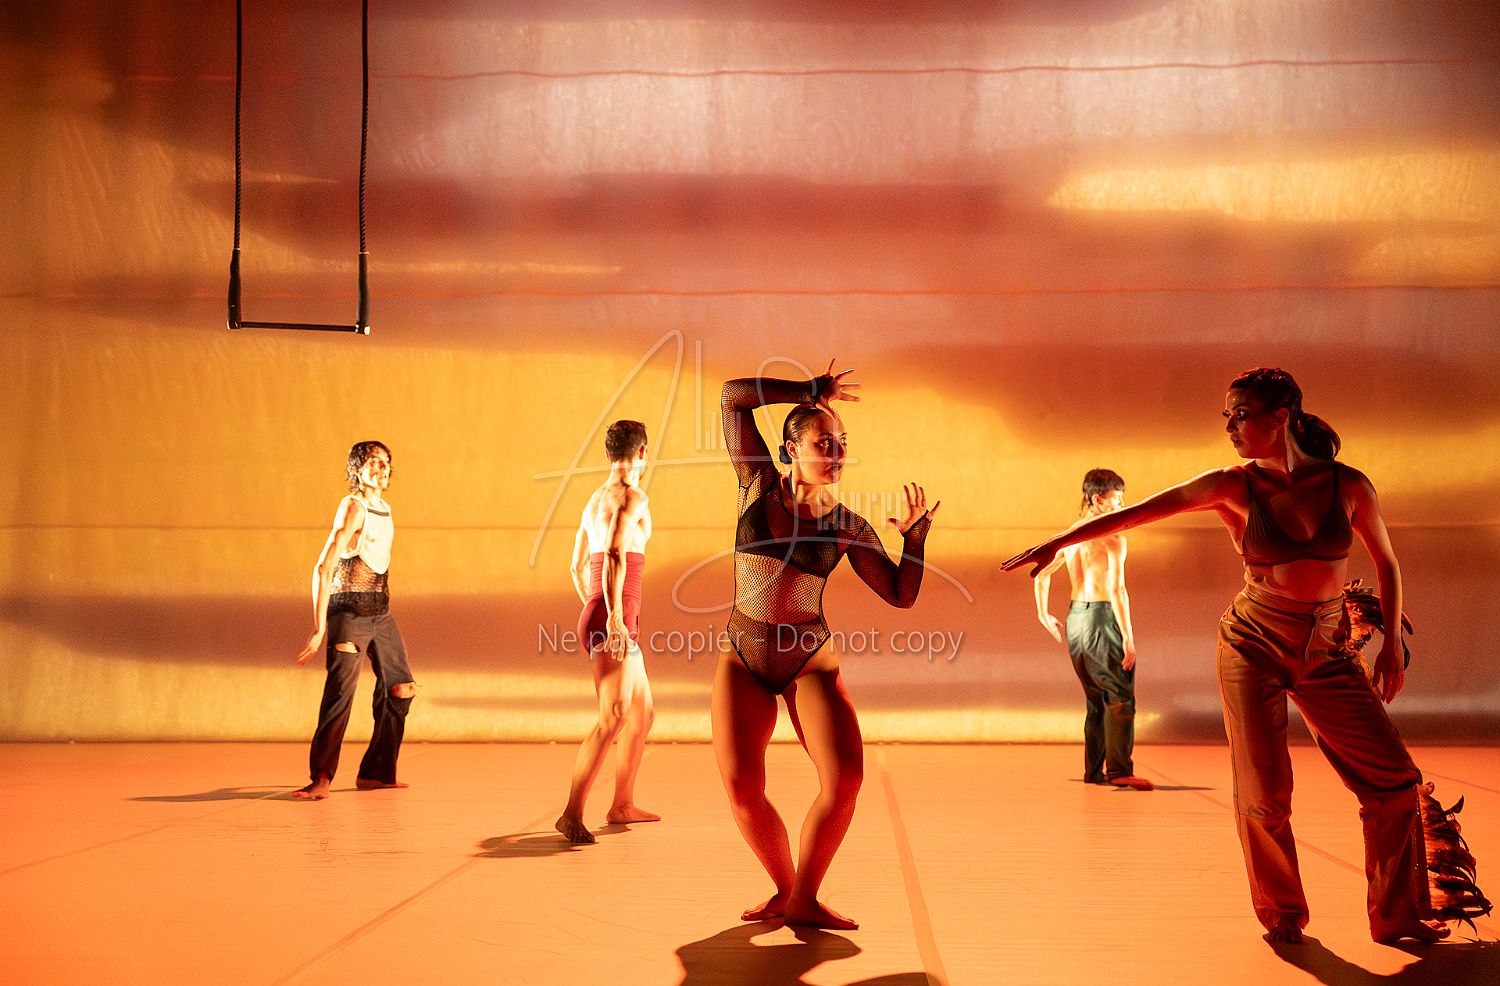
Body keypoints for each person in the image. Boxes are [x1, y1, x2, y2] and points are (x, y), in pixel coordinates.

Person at [1003, 367, 1489, 944]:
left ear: (1281, 418)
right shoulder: (1233, 486)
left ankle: (1395, 914)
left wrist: (1392, 650)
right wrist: (1060, 541)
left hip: (1327, 647)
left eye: (1240, 414)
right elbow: (1143, 512)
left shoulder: (1349, 485)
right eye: (1227, 417)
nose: (1230, 427)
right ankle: (1282, 911)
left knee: (1394, 779)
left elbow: (1387, 563)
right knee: (1264, 791)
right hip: (1252, 642)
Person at [716, 358, 938, 930]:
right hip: (743, 659)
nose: (837, 453)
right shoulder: (755, 484)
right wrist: (809, 389)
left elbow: (900, 594)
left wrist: (915, 540)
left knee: (845, 783)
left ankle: (805, 899)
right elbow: (733, 396)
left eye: (842, 444)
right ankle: (786, 889)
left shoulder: (847, 526)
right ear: (791, 449)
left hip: (808, 662)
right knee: (742, 789)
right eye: (824, 443)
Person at [292, 441, 416, 800]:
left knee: (401, 688)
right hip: (348, 613)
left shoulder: (384, 508)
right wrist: (320, 627)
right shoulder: (353, 507)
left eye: (386, 462)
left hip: (380, 613)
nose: (382, 468)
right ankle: (320, 777)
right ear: (357, 470)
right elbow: (323, 567)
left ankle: (376, 772)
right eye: (373, 462)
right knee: (340, 695)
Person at [556, 420, 659, 844]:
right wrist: (613, 616)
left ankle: (622, 804)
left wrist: (595, 607)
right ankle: (571, 813)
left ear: (608, 454)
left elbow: (576, 564)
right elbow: (615, 551)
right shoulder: (632, 496)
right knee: (614, 716)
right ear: (643, 453)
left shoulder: (595, 499)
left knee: (643, 713)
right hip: (614, 617)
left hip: (605, 612)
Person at [1032, 469, 1151, 790]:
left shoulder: (1069, 537)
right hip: (1101, 617)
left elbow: (1041, 573)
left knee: (1095, 699)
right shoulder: (1113, 539)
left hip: (1076, 620)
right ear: (1098, 500)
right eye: (1117, 500)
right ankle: (1120, 770)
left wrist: (1044, 613)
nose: (1122, 505)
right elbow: (1117, 590)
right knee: (1119, 697)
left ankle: (1094, 771)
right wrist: (1128, 637)